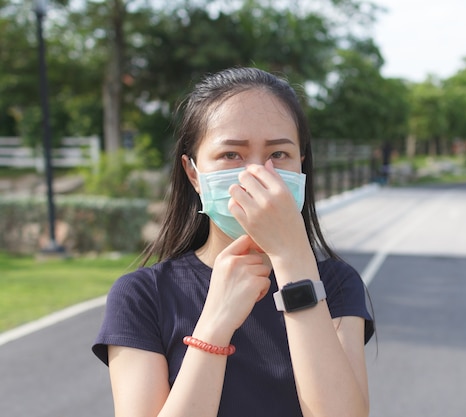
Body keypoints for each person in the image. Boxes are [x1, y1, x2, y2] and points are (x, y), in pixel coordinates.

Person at [92, 67, 374, 417]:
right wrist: (215, 323)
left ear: (302, 164)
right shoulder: (142, 294)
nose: (257, 174)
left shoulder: (336, 284)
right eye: (231, 155)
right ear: (193, 172)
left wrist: (292, 257)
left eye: (278, 155)